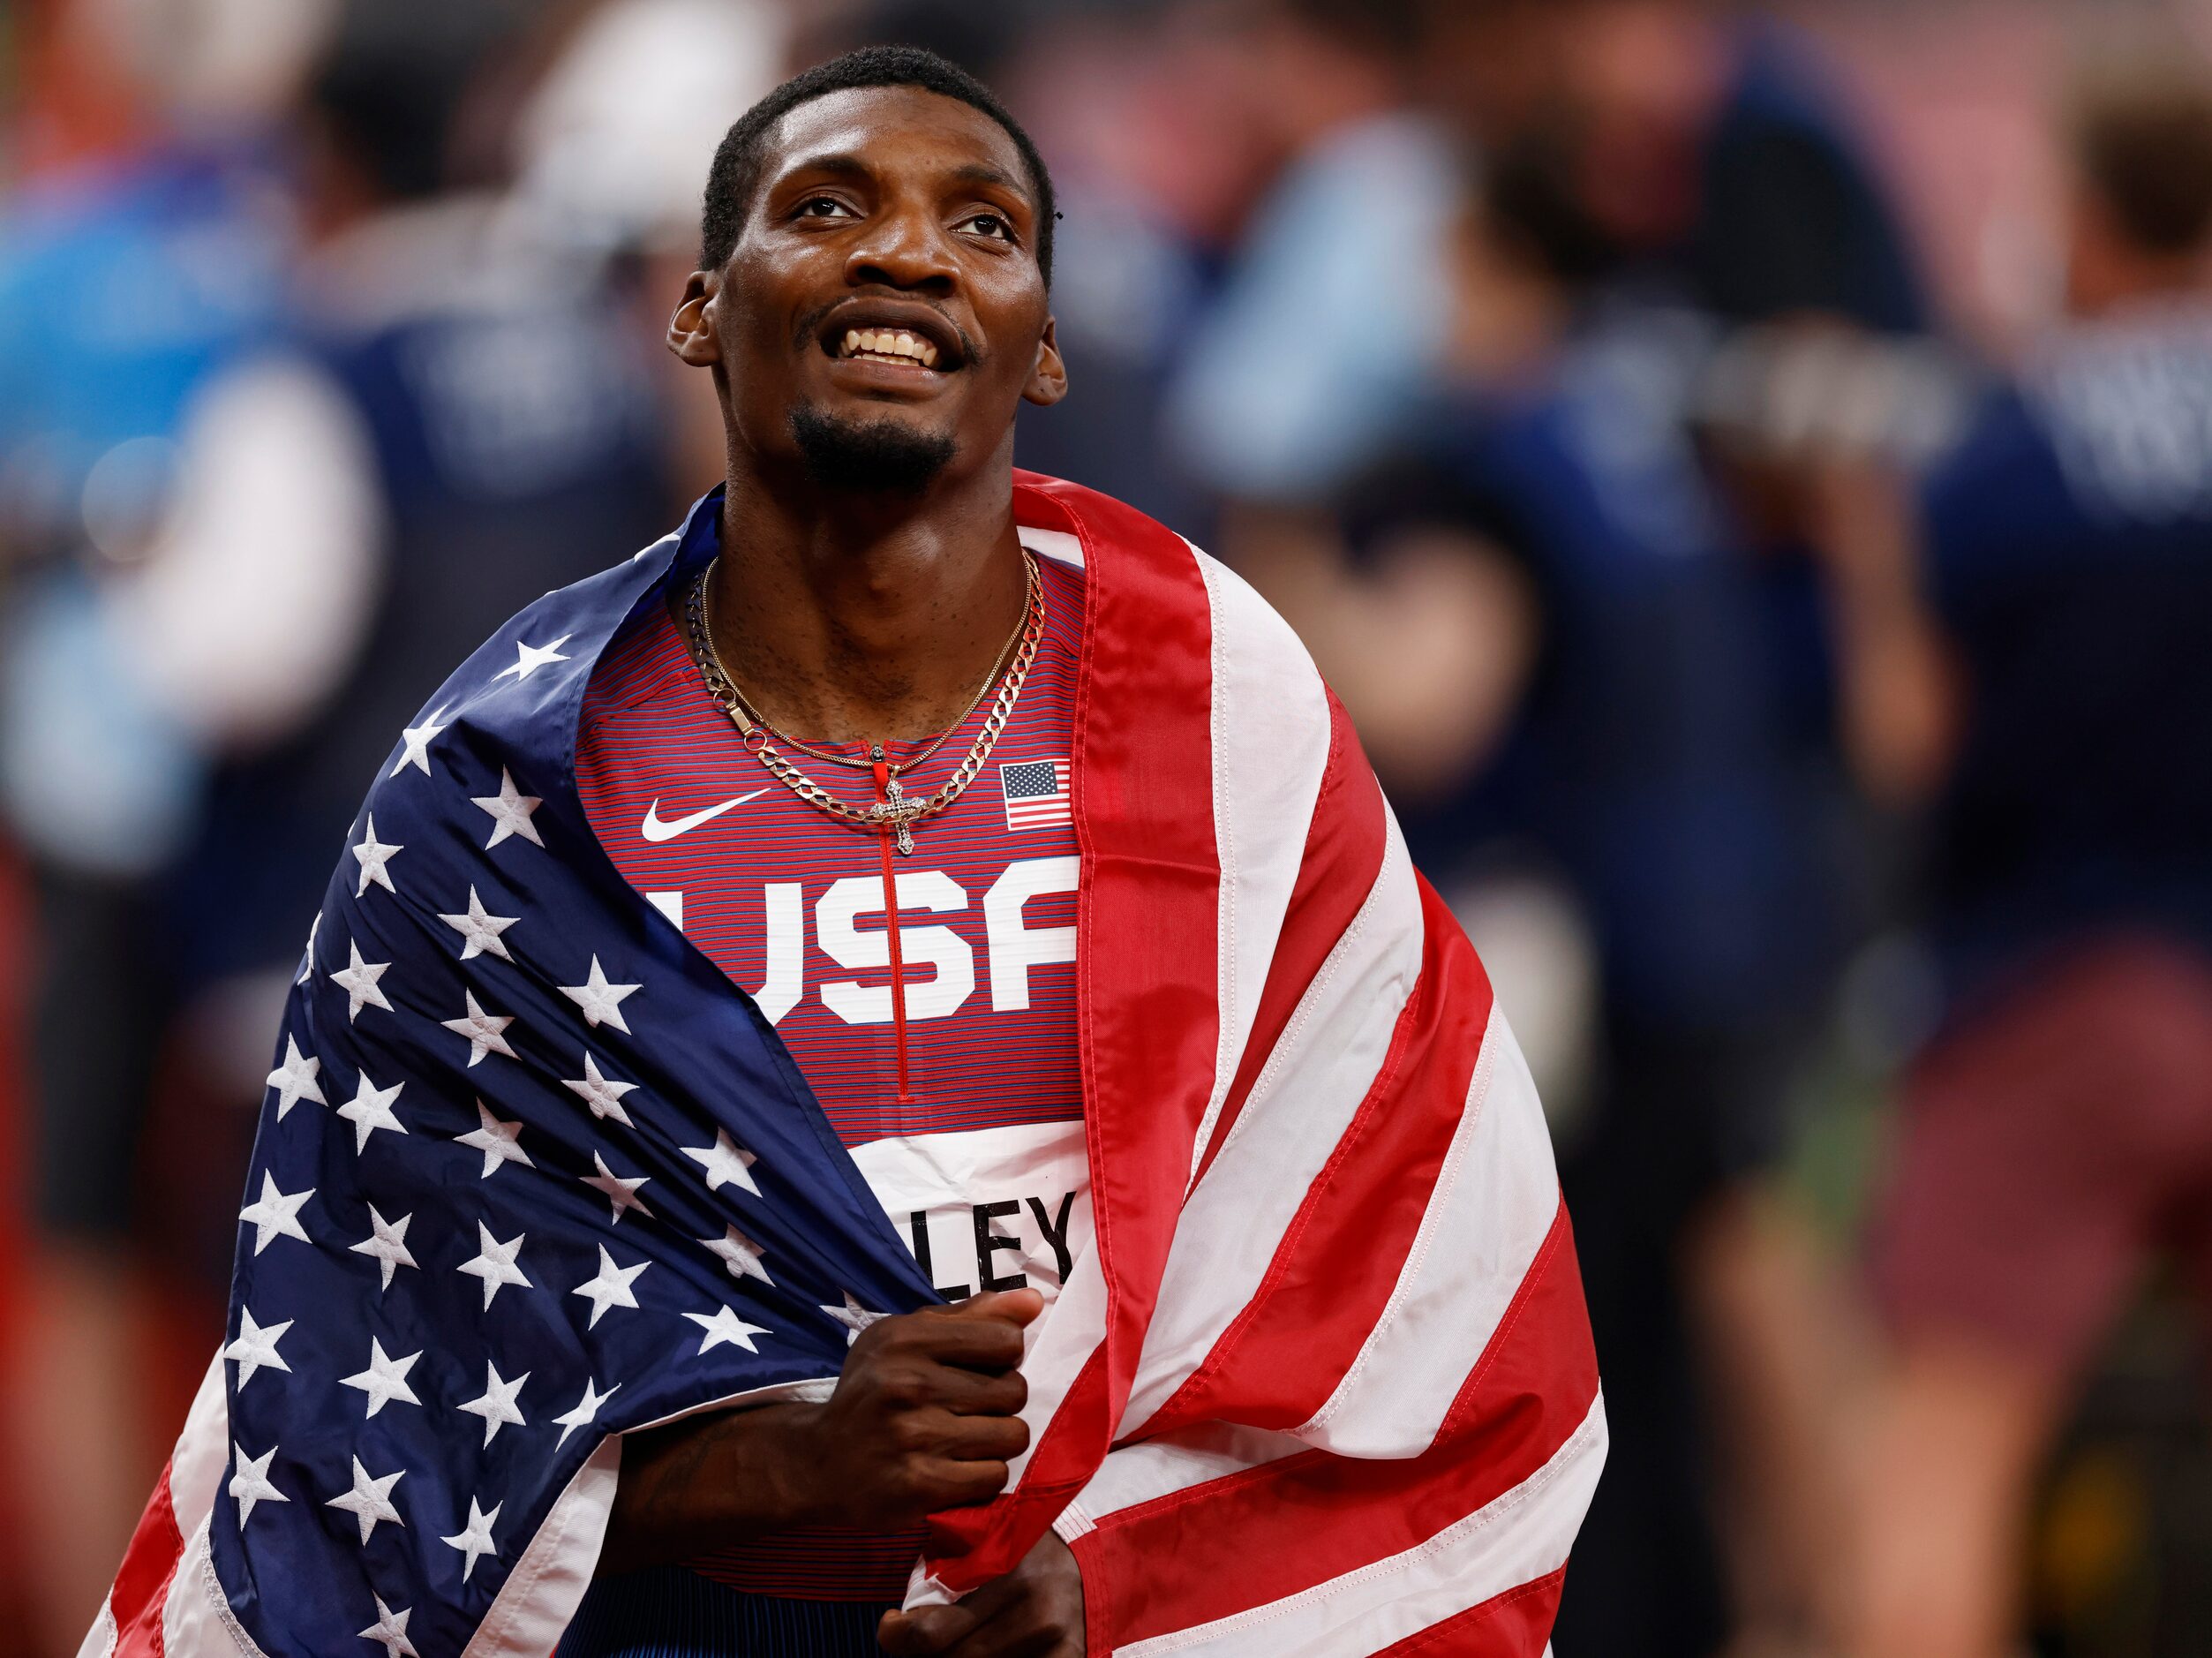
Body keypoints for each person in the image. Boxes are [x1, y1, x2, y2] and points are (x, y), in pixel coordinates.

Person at [86, 47, 1602, 1658]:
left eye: (983, 225)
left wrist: (1114, 1579)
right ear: (693, 314)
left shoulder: (1221, 722)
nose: (905, 252)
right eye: (826, 207)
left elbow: (1421, 1289)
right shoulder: (504, 795)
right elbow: (353, 1429)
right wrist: (787, 1463)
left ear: (1047, 345)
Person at [1812, 46, 2212, 1658]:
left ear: (2087, 220)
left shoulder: (2012, 444)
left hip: (2057, 990)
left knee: (1938, 1472)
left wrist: (1859, 552)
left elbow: (1907, 742)